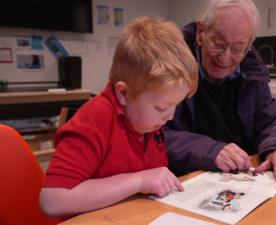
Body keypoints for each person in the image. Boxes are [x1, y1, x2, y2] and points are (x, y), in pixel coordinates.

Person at [39, 17, 198, 217]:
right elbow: (52, 201)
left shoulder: (147, 121)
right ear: (123, 94)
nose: (170, 115)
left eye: (176, 105)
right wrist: (138, 180)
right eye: (161, 107)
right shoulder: (96, 118)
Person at [165, 0, 276, 185]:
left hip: (239, 180)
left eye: (238, 48)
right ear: (201, 32)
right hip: (183, 181)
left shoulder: (253, 74)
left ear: (248, 48)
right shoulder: (168, 65)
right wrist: (209, 150)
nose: (224, 58)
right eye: (218, 43)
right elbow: (151, 134)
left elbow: (272, 120)